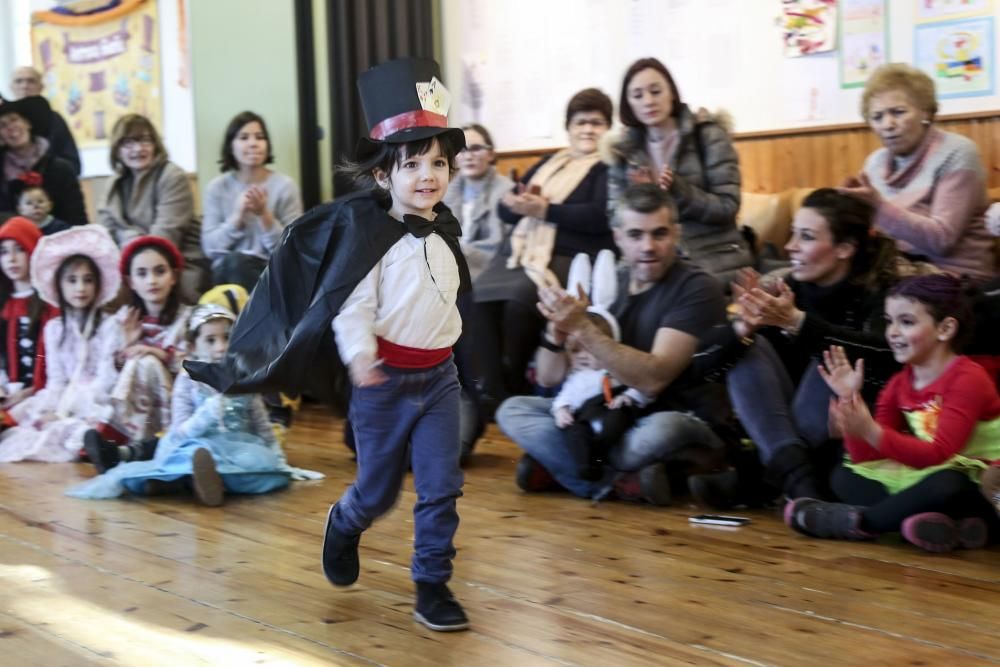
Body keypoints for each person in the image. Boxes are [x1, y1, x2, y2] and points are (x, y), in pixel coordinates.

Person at [186, 58, 472, 633]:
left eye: (437, 162)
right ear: (382, 177)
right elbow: (350, 304)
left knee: (443, 487)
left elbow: (450, 299)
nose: (428, 175)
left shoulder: (444, 228)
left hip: (440, 379)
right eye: (412, 163)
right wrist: (361, 354)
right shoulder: (369, 240)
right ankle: (345, 521)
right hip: (385, 382)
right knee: (379, 492)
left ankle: (431, 584)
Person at [496, 183, 729, 504]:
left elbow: (654, 378)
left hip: (668, 413)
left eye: (659, 234)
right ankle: (621, 480)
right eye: (635, 235)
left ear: (676, 234)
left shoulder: (698, 287)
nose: (648, 246)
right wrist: (557, 334)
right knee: (514, 410)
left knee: (662, 431)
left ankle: (570, 470)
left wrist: (586, 332)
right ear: (618, 237)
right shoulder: (609, 280)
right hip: (600, 412)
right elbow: (550, 378)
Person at [691, 189, 901, 508]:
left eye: (806, 237)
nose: (790, 246)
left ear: (845, 248)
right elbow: (701, 366)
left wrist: (797, 323)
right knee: (749, 347)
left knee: (832, 359)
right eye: (792, 233)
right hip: (791, 420)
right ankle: (800, 481)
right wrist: (742, 329)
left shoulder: (884, 293)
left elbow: (888, 359)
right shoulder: (785, 287)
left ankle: (766, 478)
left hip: (855, 428)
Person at [785, 275, 1000, 553]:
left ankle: (860, 522)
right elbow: (867, 456)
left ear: (945, 328)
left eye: (906, 322)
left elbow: (939, 453)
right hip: (935, 471)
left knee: (948, 484)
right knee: (844, 474)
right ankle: (932, 524)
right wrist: (851, 406)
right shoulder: (900, 382)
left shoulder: (967, 378)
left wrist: (871, 430)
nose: (892, 332)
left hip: (982, 482)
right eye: (889, 321)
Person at [67, 304, 313, 504]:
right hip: (196, 444)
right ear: (194, 347)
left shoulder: (244, 378)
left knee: (270, 474)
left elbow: (261, 425)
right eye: (211, 340)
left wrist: (278, 460)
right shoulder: (188, 381)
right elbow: (180, 430)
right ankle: (188, 479)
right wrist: (208, 412)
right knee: (189, 456)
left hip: (238, 449)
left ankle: (191, 483)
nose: (221, 347)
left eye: (227, 338)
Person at [474, 88, 614, 405]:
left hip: (571, 255)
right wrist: (511, 202)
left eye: (597, 123)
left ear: (608, 129)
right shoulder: (551, 162)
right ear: (569, 128)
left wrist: (545, 211)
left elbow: (599, 216)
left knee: (519, 303)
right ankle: (489, 391)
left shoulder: (608, 167)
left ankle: (515, 387)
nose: (588, 129)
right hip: (520, 252)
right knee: (475, 298)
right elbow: (508, 210)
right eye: (581, 122)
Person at [842, 63, 994, 283]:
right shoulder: (874, 163)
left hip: (954, 278)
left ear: (926, 112)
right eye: (877, 117)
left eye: (898, 112)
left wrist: (878, 207)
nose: (888, 124)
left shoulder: (958, 152)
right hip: (895, 271)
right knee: (808, 276)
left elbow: (941, 240)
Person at [604, 57, 751, 284]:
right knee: (606, 296)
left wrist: (677, 191)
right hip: (650, 260)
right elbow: (615, 217)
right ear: (628, 104)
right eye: (638, 95)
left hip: (713, 258)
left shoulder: (708, 136)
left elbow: (727, 206)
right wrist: (641, 199)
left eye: (656, 91)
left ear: (671, 92)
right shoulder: (624, 152)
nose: (648, 101)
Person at [0, 226, 120, 462]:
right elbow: (56, 380)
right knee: (27, 426)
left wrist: (66, 411)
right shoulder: (54, 328)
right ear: (59, 285)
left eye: (88, 280)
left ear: (98, 284)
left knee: (77, 432)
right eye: (72, 280)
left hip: (95, 401)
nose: (80, 288)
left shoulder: (110, 326)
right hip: (63, 397)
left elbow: (106, 381)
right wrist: (51, 410)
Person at [83, 236, 192, 469]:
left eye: (159, 271)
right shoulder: (121, 321)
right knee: (139, 361)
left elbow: (196, 370)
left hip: (175, 408)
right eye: (142, 273)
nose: (151, 280)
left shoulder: (188, 320)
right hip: (133, 402)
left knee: (147, 362)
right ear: (131, 282)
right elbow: (105, 379)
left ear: (173, 276)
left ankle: (123, 443)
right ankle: (125, 447)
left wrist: (156, 353)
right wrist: (126, 349)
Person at [98, 114, 206, 301]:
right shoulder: (113, 184)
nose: (138, 149)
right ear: (117, 149)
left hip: (177, 262)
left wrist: (129, 240)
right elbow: (106, 234)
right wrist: (132, 240)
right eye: (128, 143)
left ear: (156, 144)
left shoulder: (172, 176)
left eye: (145, 141)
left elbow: (165, 236)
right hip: (129, 264)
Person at [201, 111, 303, 291]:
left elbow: (294, 248)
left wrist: (264, 215)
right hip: (227, 274)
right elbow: (211, 248)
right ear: (230, 146)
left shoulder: (285, 186)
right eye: (244, 137)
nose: (253, 143)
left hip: (271, 270)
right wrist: (237, 218)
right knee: (234, 262)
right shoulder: (217, 188)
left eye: (260, 137)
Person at [0, 217, 59, 413]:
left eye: (19, 249)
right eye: (4, 251)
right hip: (8, 394)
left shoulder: (50, 305)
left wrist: (27, 393)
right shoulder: (4, 305)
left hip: (42, 397)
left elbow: (57, 368)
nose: (11, 258)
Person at [0, 96, 87, 226]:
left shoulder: (61, 168)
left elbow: (77, 219)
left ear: (27, 123)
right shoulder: (1, 174)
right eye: (2, 125)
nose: (11, 128)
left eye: (14, 120)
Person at [442, 124, 513, 280]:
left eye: (476, 148)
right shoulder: (445, 191)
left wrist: (451, 253)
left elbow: (496, 246)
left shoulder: (506, 191)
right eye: (461, 149)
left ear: (491, 154)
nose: (468, 156)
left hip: (486, 270)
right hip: (449, 265)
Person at [8, 66, 81, 174]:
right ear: (11, 87)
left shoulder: (54, 119)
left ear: (41, 87)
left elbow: (72, 162)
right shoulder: (3, 122)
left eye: (31, 81)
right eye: (19, 81)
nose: (24, 86)